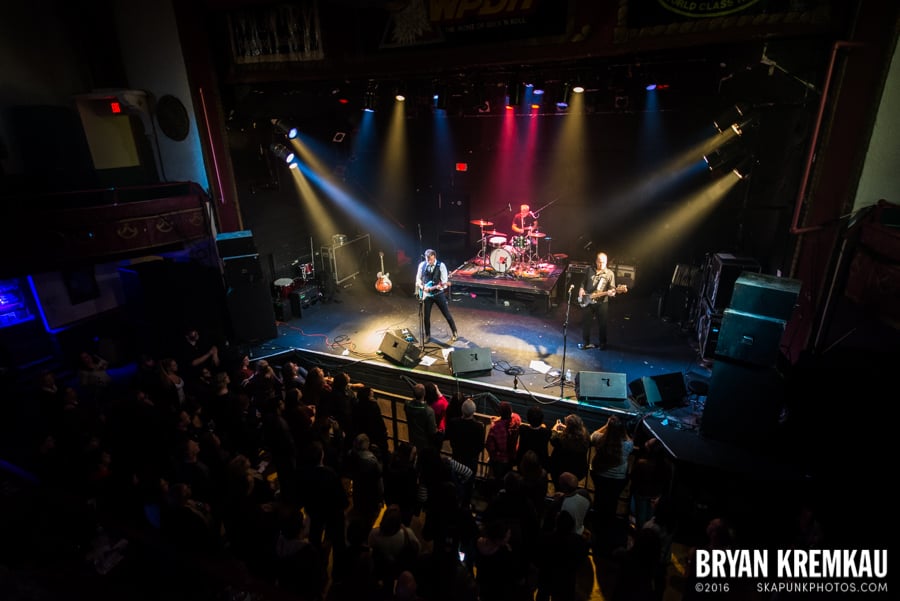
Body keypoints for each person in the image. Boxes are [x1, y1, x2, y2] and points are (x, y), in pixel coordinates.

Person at [415, 249, 459, 345]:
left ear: (434, 257)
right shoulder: (422, 265)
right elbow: (418, 279)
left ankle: (455, 332)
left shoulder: (441, 266)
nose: (428, 262)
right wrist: (423, 288)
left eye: (430, 259)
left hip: (438, 294)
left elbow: (445, 283)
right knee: (426, 317)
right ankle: (427, 335)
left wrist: (440, 286)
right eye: (427, 259)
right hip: (426, 295)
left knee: (446, 314)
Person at [578, 251, 617, 350]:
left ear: (606, 262)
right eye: (599, 262)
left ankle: (603, 344)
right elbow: (583, 282)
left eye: (604, 262)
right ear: (596, 261)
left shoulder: (610, 274)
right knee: (586, 323)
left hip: (602, 303)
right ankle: (585, 343)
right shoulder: (589, 270)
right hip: (588, 300)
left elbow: (612, 289)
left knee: (602, 324)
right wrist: (581, 289)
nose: (601, 264)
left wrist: (612, 293)